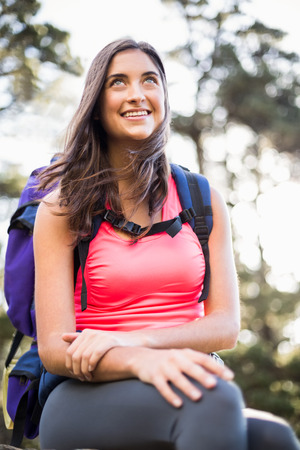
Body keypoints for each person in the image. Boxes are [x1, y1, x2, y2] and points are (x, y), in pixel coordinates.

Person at [33, 38, 300, 450]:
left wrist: (134, 340)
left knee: (276, 439)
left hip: (176, 374)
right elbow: (54, 349)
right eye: (118, 82)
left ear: (163, 96)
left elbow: (225, 327)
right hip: (84, 389)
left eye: (150, 80)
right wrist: (137, 359)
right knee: (213, 399)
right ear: (96, 104)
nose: (137, 94)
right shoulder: (62, 207)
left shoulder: (200, 197)